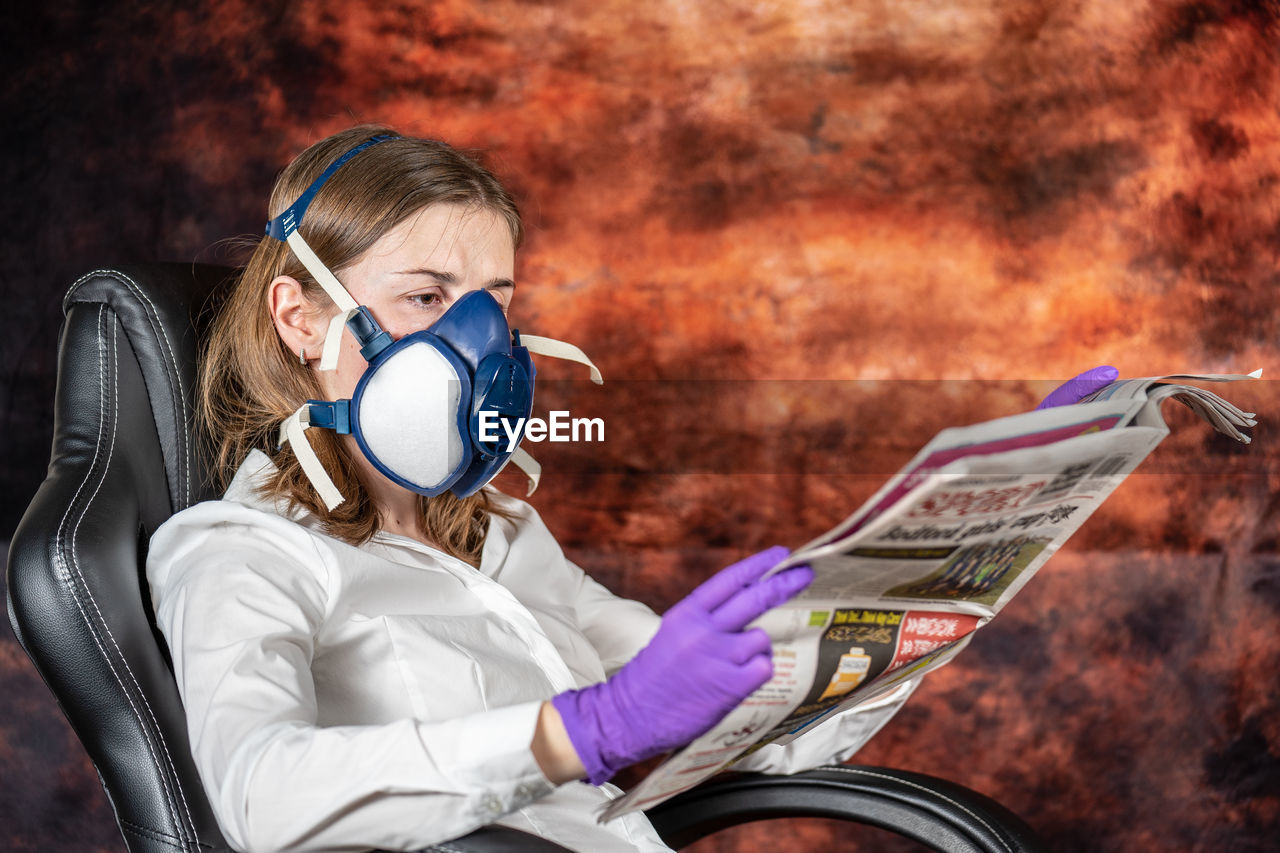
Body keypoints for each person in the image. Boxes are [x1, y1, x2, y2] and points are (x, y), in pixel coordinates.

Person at [146, 125, 1115, 853]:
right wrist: (585, 730)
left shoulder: (505, 537)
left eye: (494, 305)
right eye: (426, 296)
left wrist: (958, 566)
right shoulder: (239, 548)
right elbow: (257, 796)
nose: (476, 345)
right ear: (301, 317)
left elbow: (767, 735)